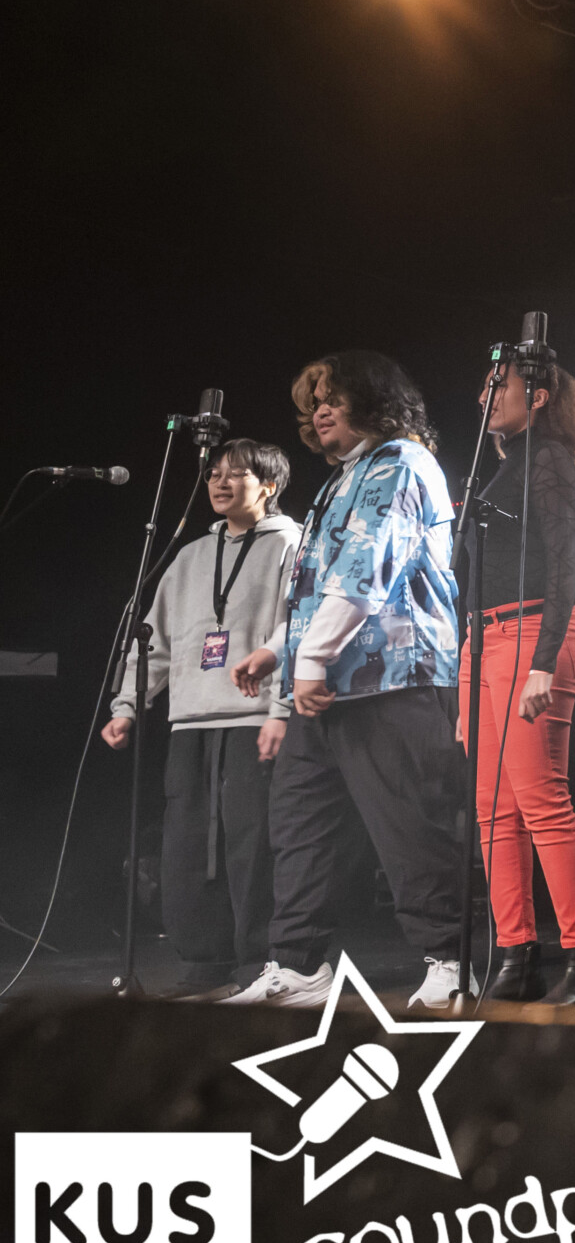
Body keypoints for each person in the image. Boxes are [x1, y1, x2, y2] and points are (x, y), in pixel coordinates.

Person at [225, 353, 469, 1011]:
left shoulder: (400, 463)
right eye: (314, 402)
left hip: (395, 680)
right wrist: (279, 650)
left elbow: (367, 568)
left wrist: (308, 661)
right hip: (330, 683)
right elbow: (320, 585)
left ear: (373, 399)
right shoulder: (345, 477)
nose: (321, 410)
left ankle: (452, 960)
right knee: (301, 828)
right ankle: (297, 966)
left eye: (333, 396)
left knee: (409, 827)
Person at [105, 439, 299, 998]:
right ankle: (204, 963)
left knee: (252, 844)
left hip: (255, 718)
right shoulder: (190, 555)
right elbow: (155, 642)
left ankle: (260, 962)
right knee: (187, 847)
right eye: (214, 473)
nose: (220, 482)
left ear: (269, 485)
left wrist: (281, 708)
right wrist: (127, 705)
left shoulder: (292, 545)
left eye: (236, 474)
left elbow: (298, 628)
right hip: (189, 720)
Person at [458, 357, 575, 1005]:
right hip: (484, 639)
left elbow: (565, 563)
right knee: (493, 810)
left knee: (542, 801)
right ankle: (517, 957)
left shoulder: (547, 458)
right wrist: (467, 663)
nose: (486, 396)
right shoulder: (501, 466)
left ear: (539, 396)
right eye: (485, 385)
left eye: (501, 386)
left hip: (533, 633)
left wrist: (544, 660)